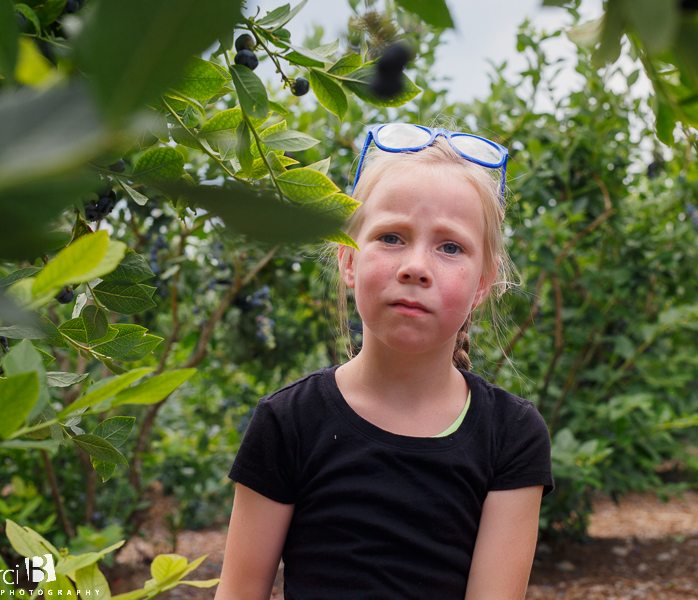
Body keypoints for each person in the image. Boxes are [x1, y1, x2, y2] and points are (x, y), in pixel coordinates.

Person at [216, 123, 554, 600]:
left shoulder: (511, 436)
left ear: (483, 283)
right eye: (391, 237)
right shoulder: (288, 422)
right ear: (348, 261)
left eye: (450, 246)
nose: (415, 265)